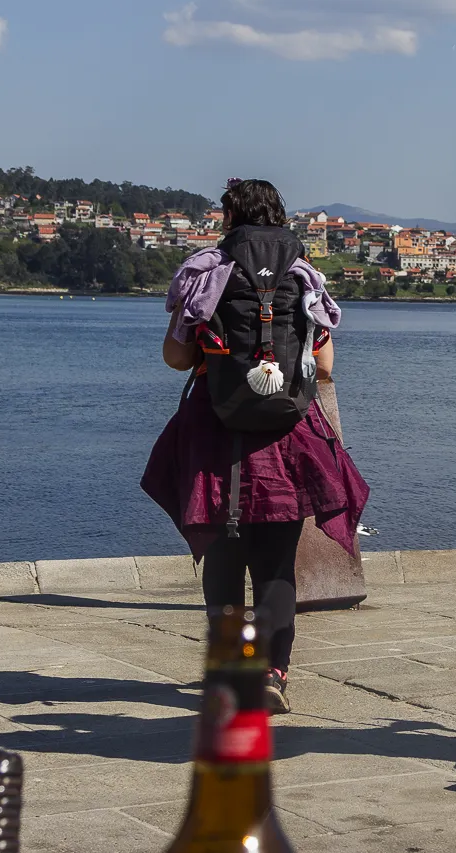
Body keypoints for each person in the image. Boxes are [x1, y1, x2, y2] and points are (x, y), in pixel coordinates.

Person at [141, 178, 369, 715]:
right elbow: (328, 365)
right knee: (276, 566)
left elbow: (176, 359)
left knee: (222, 562)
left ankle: (231, 673)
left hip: (214, 436)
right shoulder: (303, 274)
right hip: (287, 441)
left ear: (229, 217)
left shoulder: (206, 272)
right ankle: (273, 674)